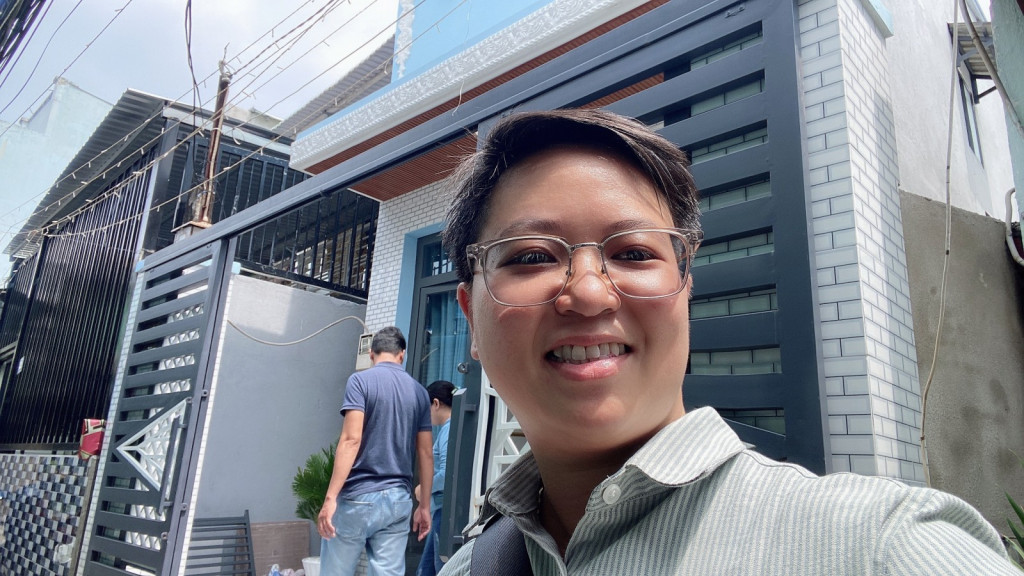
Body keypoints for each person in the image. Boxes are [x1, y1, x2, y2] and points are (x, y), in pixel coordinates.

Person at [435, 109, 1018, 574]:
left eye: (634, 252)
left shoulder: (882, 546)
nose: (589, 293)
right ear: (470, 318)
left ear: (684, 290)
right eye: (531, 257)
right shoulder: (467, 566)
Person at [318, 326, 433, 576]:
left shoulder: (360, 381)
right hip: (398, 501)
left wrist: (330, 498)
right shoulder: (420, 393)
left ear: (372, 354)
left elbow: (351, 440)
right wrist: (424, 506)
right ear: (401, 355)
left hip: (358, 497)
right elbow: (426, 453)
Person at [416, 380, 456, 576]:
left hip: (443, 511)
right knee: (428, 569)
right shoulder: (453, 428)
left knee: (438, 569)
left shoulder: (449, 430)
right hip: (441, 510)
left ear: (436, 403)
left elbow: (448, 473)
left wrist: (424, 488)